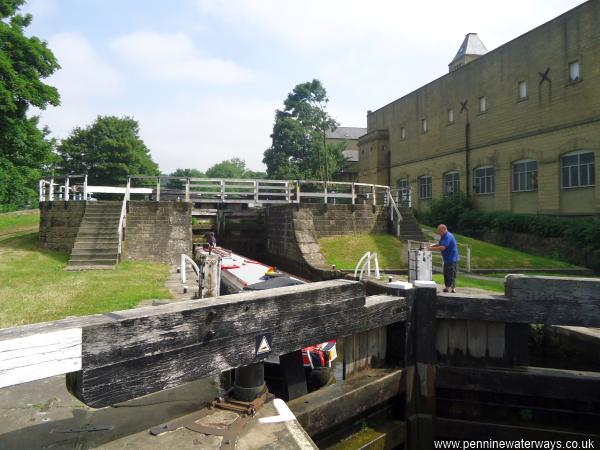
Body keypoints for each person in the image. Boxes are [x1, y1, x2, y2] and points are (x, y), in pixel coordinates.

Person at [429, 224, 460, 293]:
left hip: (452, 258)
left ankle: (451, 288)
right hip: (447, 258)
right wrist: (431, 245)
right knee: (446, 273)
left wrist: (430, 248)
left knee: (450, 273)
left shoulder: (448, 236)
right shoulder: (443, 236)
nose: (438, 232)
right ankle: (447, 287)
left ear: (443, 229)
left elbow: (442, 247)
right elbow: (440, 244)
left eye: (439, 230)